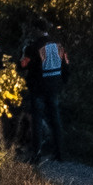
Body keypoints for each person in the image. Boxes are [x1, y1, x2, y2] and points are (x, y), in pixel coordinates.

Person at [18, 22, 69, 161]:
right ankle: (60, 153)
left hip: (39, 88)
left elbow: (23, 65)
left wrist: (22, 55)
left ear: (36, 30)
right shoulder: (59, 46)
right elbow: (66, 66)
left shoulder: (33, 47)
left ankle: (37, 154)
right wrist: (62, 82)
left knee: (37, 120)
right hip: (54, 86)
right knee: (55, 119)